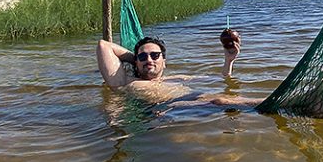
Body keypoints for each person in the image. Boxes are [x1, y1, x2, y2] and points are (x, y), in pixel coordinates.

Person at [96, 31, 259, 107]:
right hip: (170, 107)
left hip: (191, 101)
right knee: (219, 101)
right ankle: (264, 104)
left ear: (164, 61)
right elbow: (104, 46)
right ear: (136, 62)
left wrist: (228, 61)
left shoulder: (177, 78)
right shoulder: (126, 81)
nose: (149, 59)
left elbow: (222, 78)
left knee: (221, 99)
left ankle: (261, 106)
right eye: (143, 57)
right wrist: (137, 61)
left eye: (154, 55)